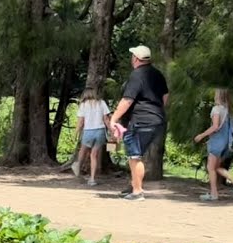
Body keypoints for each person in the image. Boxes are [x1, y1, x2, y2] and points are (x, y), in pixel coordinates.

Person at [108, 45, 168, 201]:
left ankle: (137, 191)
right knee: (136, 155)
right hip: (157, 120)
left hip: (140, 120)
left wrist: (114, 119)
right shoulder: (157, 74)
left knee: (134, 156)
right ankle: (134, 184)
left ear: (135, 58)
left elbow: (127, 100)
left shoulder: (136, 75)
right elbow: (165, 98)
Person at [193, 88, 233, 201]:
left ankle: (214, 194)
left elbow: (215, 126)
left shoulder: (216, 109)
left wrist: (201, 135)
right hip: (225, 142)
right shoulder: (228, 111)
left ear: (218, 96)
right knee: (216, 168)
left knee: (210, 168)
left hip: (217, 141)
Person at [71, 88, 110, 187]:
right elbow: (106, 119)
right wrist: (112, 130)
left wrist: (75, 133)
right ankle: (92, 179)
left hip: (88, 131)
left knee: (83, 149)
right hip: (100, 131)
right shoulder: (101, 103)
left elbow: (80, 122)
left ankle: (78, 164)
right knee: (94, 155)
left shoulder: (83, 105)